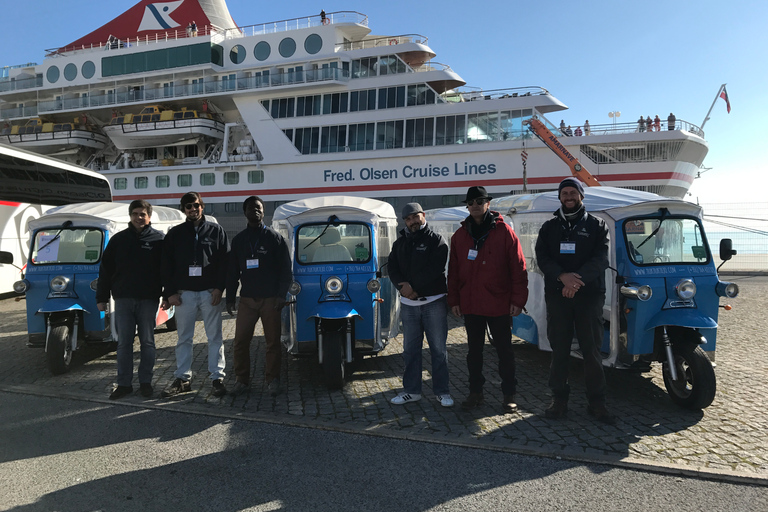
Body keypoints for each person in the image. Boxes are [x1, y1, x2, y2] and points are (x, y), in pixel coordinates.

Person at [535, 178, 615, 425]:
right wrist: (563, 277)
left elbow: (601, 258)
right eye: (564, 193)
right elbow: (542, 258)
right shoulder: (549, 227)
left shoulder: (597, 225)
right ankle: (559, 399)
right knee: (559, 348)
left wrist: (575, 281)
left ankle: (597, 402)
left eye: (573, 193)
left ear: (581, 196)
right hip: (558, 295)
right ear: (560, 197)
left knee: (591, 350)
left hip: (589, 296)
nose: (568, 197)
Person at [448, 186, 528, 412]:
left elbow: (519, 268)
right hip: (471, 303)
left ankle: (509, 394)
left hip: (499, 302)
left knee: (505, 351)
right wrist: (453, 300)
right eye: (471, 201)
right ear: (467, 205)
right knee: (474, 352)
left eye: (479, 201)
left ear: (488, 204)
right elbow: (453, 270)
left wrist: (518, 300)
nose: (474, 205)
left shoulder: (504, 233)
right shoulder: (460, 236)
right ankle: (475, 393)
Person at [161, 192, 229, 398]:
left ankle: (217, 378)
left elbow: (225, 262)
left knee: (215, 336)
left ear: (203, 206)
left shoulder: (216, 231)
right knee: (184, 338)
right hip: (184, 294)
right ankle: (183, 378)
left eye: (197, 205)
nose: (193, 209)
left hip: (210, 293)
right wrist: (170, 293)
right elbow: (166, 265)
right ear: (183, 209)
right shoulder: (175, 234)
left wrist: (219, 288)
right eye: (189, 206)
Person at [97, 200, 164, 399]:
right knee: (124, 343)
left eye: (142, 214)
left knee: (147, 342)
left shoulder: (159, 240)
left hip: (148, 299)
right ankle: (124, 384)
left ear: (149, 216)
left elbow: (167, 270)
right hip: (124, 299)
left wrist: (168, 294)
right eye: (135, 213)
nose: (139, 217)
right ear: (130, 215)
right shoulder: (118, 240)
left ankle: (146, 382)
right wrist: (101, 297)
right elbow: (105, 270)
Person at [226, 196, 292, 397]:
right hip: (247, 300)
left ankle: (272, 380)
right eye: (251, 208)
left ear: (263, 212)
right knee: (240, 342)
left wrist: (281, 295)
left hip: (271, 300)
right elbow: (232, 272)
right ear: (244, 212)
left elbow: (285, 270)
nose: (255, 211)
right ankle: (241, 381)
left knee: (272, 342)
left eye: (259, 208)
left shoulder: (275, 238)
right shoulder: (239, 240)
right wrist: (230, 298)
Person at [388, 203, 452, 407]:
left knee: (439, 350)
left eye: (415, 217)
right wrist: (403, 288)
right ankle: (411, 391)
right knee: (410, 350)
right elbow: (392, 268)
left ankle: (442, 392)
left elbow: (435, 268)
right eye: (408, 219)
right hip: (408, 306)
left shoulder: (436, 240)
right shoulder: (400, 243)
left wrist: (413, 287)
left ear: (423, 216)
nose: (412, 222)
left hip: (434, 302)